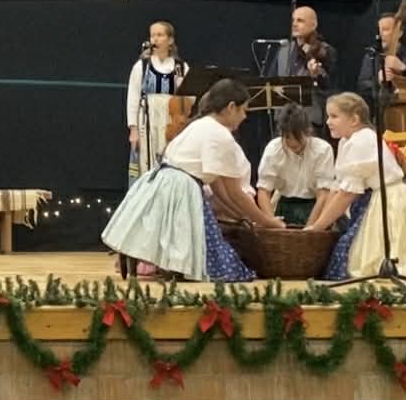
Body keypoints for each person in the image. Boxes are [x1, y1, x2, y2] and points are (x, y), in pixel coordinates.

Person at [102, 78, 284, 282]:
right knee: (225, 266)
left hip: (160, 183)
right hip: (180, 188)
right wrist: (268, 222)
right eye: (243, 111)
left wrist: (242, 217)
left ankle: (169, 266)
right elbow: (234, 193)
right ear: (231, 107)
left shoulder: (200, 124)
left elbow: (220, 189)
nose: (244, 117)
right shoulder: (220, 134)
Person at [305, 92, 406, 280]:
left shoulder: (361, 140)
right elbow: (339, 189)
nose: (328, 122)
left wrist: (319, 226)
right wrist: (318, 223)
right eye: (328, 116)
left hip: (390, 202)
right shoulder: (348, 141)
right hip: (374, 198)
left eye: (334, 116)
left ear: (354, 119)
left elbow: (347, 194)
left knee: (360, 260)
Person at [126, 21, 190, 184]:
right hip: (148, 119)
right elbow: (133, 97)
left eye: (160, 35)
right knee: (146, 161)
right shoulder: (142, 66)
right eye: (152, 35)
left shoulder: (181, 67)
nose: (155, 39)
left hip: (171, 120)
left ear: (170, 40)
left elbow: (188, 98)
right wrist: (133, 129)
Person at [256, 103, 336, 227]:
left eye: (298, 136)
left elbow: (323, 194)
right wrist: (272, 221)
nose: (292, 142)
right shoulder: (273, 148)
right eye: (287, 137)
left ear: (308, 131)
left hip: (314, 206)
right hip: (283, 204)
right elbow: (263, 190)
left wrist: (311, 228)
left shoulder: (322, 149)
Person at [274, 5, 335, 129]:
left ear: (313, 25)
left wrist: (316, 75)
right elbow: (272, 79)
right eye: (293, 20)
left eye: (300, 20)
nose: (294, 24)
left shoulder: (325, 50)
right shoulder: (283, 49)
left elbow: (329, 85)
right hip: (283, 117)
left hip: (308, 118)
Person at [355, 13, 406, 97]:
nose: (380, 35)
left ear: (399, 33)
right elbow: (361, 85)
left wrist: (404, 69)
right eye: (379, 31)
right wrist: (378, 81)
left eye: (385, 30)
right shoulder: (371, 57)